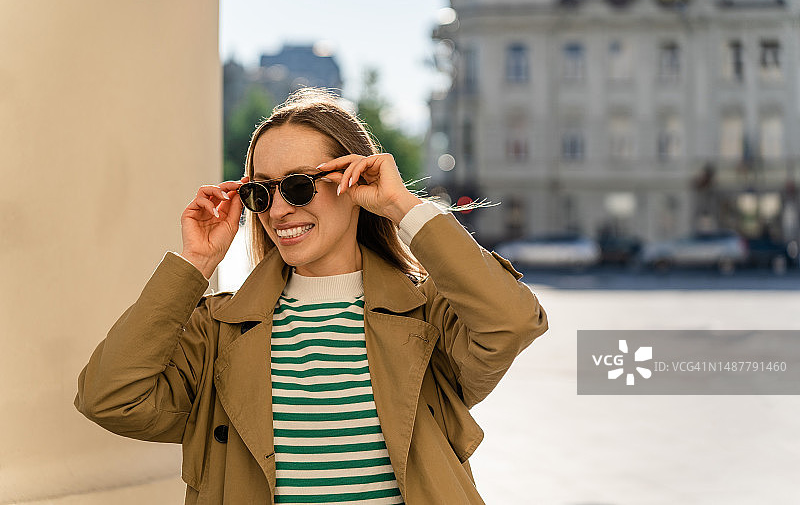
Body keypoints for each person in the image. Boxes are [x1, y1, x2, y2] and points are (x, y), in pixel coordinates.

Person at [75, 88, 549, 504]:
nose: (279, 209)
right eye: (261, 192)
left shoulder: (427, 316)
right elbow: (111, 399)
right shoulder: (218, 329)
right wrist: (195, 264)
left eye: (299, 186)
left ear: (355, 183)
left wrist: (401, 206)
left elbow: (513, 321)